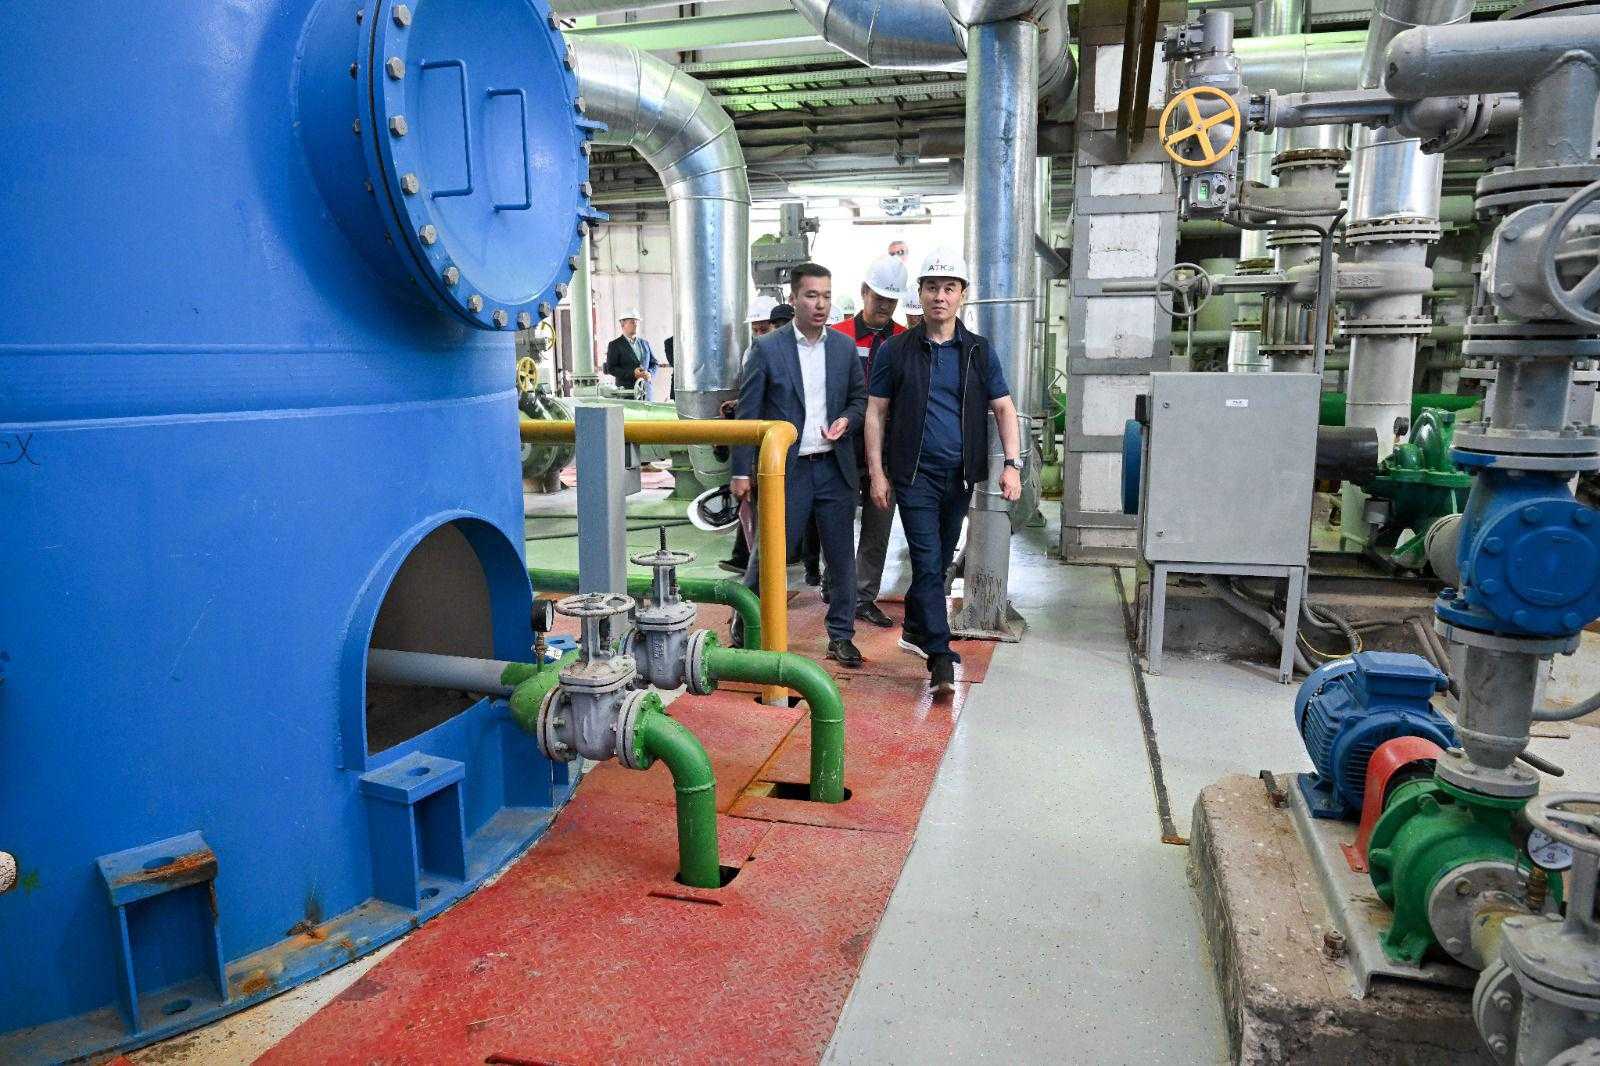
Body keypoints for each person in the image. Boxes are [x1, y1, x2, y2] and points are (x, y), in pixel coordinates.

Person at [865, 248, 1023, 694]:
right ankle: (939, 656)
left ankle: (916, 628)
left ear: (962, 296)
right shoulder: (896, 350)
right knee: (927, 559)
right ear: (919, 293)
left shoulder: (978, 351)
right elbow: (876, 412)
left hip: (960, 477)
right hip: (914, 476)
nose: (940, 296)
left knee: (938, 562)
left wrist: (1012, 465)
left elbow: (1004, 408)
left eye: (949, 288)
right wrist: (877, 473)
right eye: (932, 287)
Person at [733, 264, 868, 668]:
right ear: (793, 299)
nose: (820, 304)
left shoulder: (843, 348)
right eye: (811, 295)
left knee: (841, 558)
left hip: (833, 468)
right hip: (786, 472)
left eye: (826, 296)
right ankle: (745, 620)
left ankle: (841, 635)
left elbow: (859, 399)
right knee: (771, 553)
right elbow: (747, 414)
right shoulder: (767, 349)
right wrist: (741, 470)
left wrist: (847, 420)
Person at [829, 255, 908, 628]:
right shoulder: (837, 335)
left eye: (891, 300)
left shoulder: (904, 340)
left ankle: (862, 596)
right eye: (879, 298)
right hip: (841, 447)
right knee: (836, 522)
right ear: (864, 292)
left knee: (879, 525)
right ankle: (834, 586)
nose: (885, 306)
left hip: (888, 450)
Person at [721, 299, 796, 575]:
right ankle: (752, 569)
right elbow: (753, 403)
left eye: (765, 328)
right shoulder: (757, 352)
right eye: (757, 329)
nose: (761, 334)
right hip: (765, 447)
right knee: (761, 514)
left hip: (788, 447)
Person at [604, 310, 656, 390]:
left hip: (646, 391)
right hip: (626, 391)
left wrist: (650, 373)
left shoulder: (645, 343)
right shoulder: (615, 345)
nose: (636, 325)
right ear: (622, 324)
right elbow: (611, 368)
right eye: (632, 322)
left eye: (637, 322)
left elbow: (654, 363)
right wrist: (632, 373)